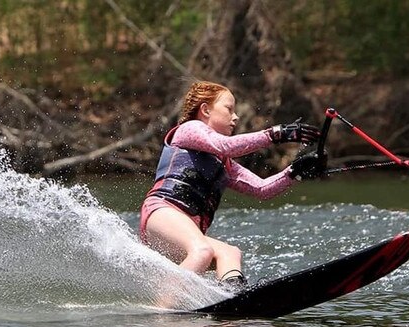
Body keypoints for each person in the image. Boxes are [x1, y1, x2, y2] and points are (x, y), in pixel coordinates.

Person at [139, 81, 327, 288]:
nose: (235, 117)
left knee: (229, 253)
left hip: (185, 230)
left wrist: (295, 172)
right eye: (229, 109)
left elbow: (261, 189)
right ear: (205, 110)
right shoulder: (189, 129)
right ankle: (162, 311)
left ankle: (234, 296)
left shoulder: (223, 163)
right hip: (163, 212)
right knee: (202, 251)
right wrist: (275, 134)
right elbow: (226, 146)